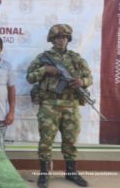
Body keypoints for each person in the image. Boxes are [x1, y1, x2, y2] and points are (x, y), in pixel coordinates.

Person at [26, 24, 92, 188]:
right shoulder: (43, 57)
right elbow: (30, 77)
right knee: (46, 140)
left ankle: (71, 173)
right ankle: (44, 173)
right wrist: (45, 70)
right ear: (51, 39)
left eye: (63, 37)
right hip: (49, 105)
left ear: (68, 39)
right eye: (57, 37)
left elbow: (89, 77)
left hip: (71, 105)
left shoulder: (76, 58)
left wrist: (82, 82)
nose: (60, 40)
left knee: (70, 140)